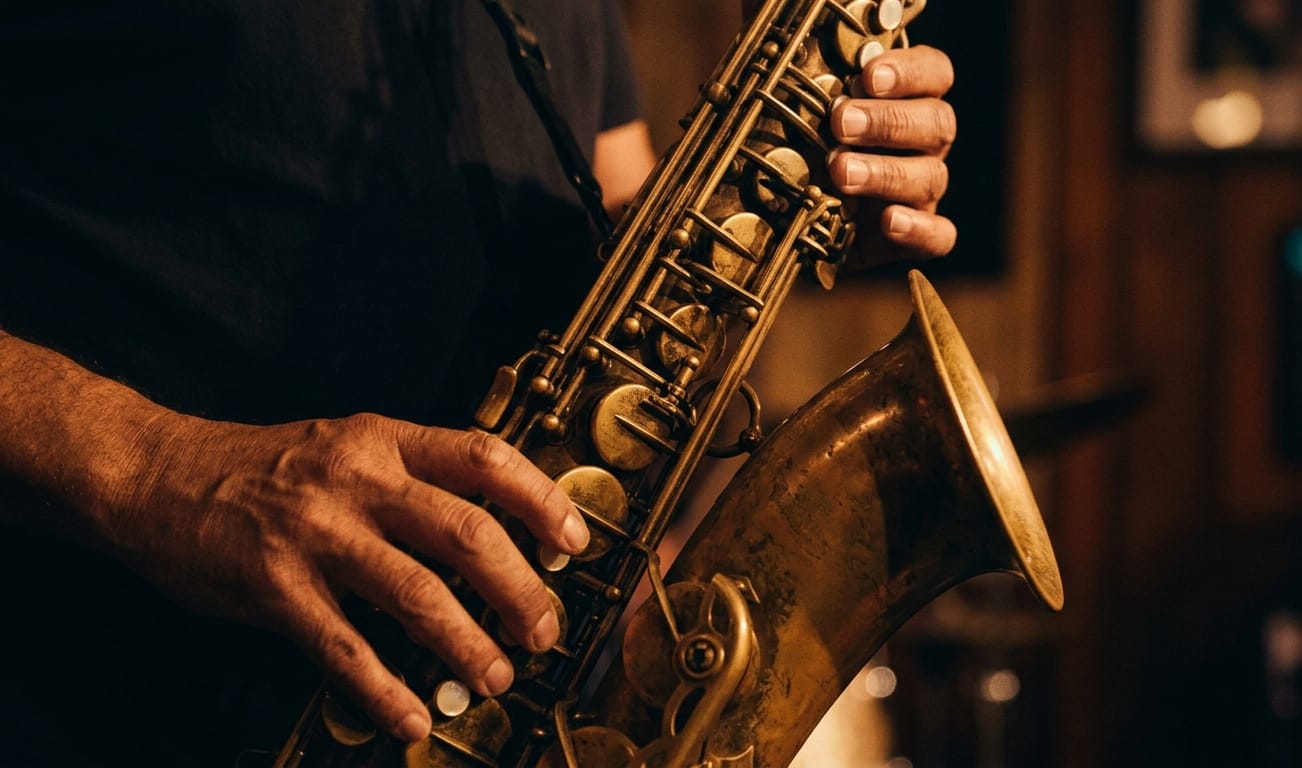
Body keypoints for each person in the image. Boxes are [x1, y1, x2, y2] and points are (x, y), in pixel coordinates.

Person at [0, 0, 957, 763]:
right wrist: (163, 470)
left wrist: (778, 199)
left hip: (479, 698)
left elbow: (619, 218)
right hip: (96, 697)